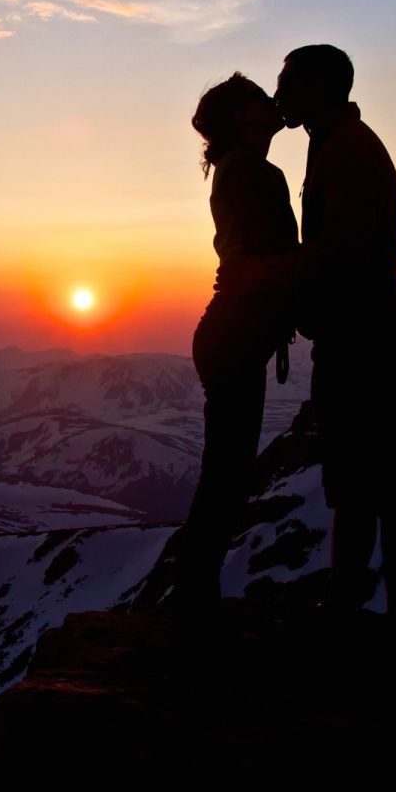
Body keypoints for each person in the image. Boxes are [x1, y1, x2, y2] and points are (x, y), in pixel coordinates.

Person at [223, 45, 396, 616]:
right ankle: (357, 606)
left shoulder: (347, 152)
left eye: (287, 82)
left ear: (317, 87)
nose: (278, 93)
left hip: (366, 333)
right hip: (363, 328)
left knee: (380, 482)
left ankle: (380, 612)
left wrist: (270, 278)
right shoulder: (334, 144)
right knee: (367, 481)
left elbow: (343, 254)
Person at [174, 73, 299, 610]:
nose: (270, 101)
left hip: (233, 334)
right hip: (237, 333)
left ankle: (196, 596)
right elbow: (258, 263)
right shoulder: (250, 170)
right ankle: (195, 600)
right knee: (227, 477)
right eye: (257, 97)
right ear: (240, 116)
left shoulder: (242, 169)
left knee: (226, 474)